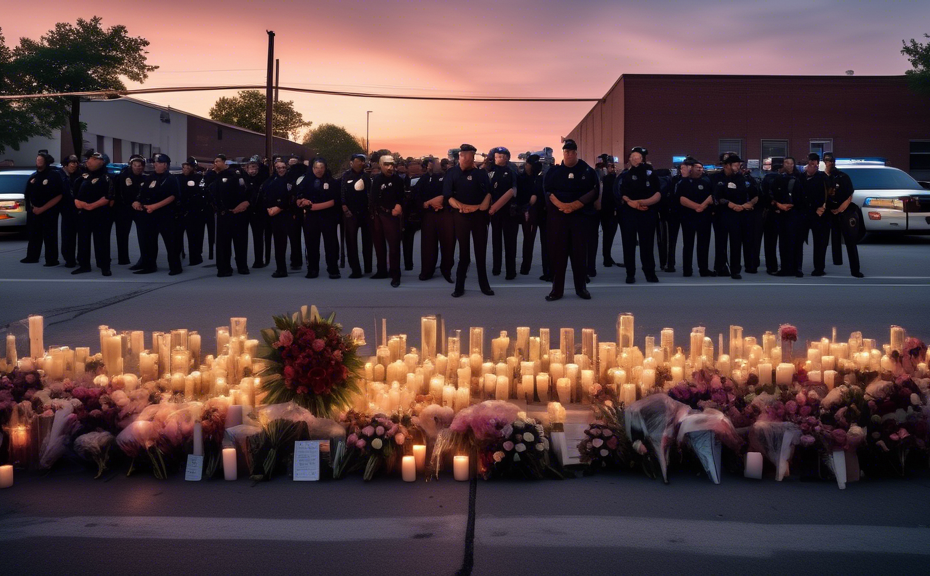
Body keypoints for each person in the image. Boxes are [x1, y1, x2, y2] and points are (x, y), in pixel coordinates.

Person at [543, 139, 598, 301]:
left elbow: (594, 191)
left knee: (579, 255)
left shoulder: (587, 171)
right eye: (565, 151)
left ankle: (581, 289)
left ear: (576, 153)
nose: (568, 154)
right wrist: (562, 205)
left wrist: (575, 205)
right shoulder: (554, 172)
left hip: (580, 219)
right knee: (558, 256)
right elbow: (547, 192)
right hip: (559, 219)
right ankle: (556, 290)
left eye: (571, 151)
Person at [444, 143, 494, 297]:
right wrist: (461, 207)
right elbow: (448, 196)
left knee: (481, 252)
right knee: (463, 253)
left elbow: (489, 194)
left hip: (479, 217)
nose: (463, 158)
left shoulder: (481, 174)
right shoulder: (452, 173)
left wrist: (478, 207)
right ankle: (459, 286)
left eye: (467, 156)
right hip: (461, 216)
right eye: (461, 155)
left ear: (473, 157)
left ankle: (484, 285)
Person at [616, 146, 661, 284]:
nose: (635, 160)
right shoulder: (624, 175)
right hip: (629, 213)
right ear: (629, 159)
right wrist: (632, 203)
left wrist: (643, 202)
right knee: (628, 243)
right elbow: (621, 193)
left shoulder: (650, 174)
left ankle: (650, 272)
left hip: (647, 212)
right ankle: (630, 273)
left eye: (638, 157)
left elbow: (658, 192)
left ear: (642, 159)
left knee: (647, 244)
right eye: (633, 157)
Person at [133, 154, 182, 275]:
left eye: (158, 162)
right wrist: (137, 201)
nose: (155, 164)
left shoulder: (171, 179)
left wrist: (155, 206)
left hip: (165, 215)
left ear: (165, 165)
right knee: (149, 241)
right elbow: (142, 192)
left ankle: (175, 267)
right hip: (149, 215)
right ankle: (149, 266)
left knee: (171, 242)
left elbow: (172, 196)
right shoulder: (150, 177)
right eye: (155, 162)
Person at [713, 154, 758, 279]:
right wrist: (730, 204)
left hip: (741, 214)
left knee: (736, 242)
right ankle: (720, 267)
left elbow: (755, 195)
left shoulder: (743, 178)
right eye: (736, 164)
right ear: (727, 165)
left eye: (739, 164)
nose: (738, 166)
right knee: (721, 242)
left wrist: (747, 204)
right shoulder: (718, 178)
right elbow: (716, 197)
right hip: (723, 214)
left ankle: (735, 269)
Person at [297, 157, 340, 279]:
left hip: (328, 217)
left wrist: (315, 207)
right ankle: (312, 269)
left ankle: (333, 269)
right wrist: (302, 201)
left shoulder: (332, 182)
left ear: (325, 168)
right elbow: (298, 195)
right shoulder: (306, 181)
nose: (319, 170)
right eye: (316, 167)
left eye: (321, 168)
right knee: (311, 244)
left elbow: (334, 201)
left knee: (331, 244)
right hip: (311, 218)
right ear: (312, 168)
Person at [72, 152, 113, 276]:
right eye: (88, 159)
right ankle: (84, 265)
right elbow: (74, 194)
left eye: (91, 159)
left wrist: (90, 206)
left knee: (102, 241)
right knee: (83, 239)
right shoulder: (83, 177)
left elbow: (108, 197)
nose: (88, 161)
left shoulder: (107, 178)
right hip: (84, 214)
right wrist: (81, 204)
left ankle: (104, 266)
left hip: (101, 215)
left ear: (100, 162)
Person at [823, 152, 863, 278]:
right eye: (827, 161)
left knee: (850, 242)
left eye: (832, 160)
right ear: (824, 162)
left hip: (844, 211)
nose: (830, 163)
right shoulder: (821, 177)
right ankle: (820, 268)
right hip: (827, 212)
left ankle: (855, 270)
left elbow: (849, 195)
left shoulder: (843, 177)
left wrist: (840, 209)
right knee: (824, 241)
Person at [416, 157, 455, 282]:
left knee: (448, 243)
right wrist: (425, 204)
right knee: (428, 244)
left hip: (446, 214)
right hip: (429, 214)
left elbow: (453, 192)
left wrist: (442, 200)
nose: (433, 165)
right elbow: (415, 195)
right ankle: (427, 271)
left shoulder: (448, 177)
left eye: (436, 163)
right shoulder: (424, 178)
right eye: (431, 163)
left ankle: (446, 270)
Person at [22, 151, 63, 266]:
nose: (38, 162)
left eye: (40, 160)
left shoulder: (54, 175)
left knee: (50, 235)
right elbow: (28, 194)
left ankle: (51, 260)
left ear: (46, 162)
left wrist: (43, 208)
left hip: (49, 211)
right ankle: (32, 256)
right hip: (34, 211)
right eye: (37, 160)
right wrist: (32, 208)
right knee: (34, 234)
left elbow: (59, 194)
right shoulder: (34, 176)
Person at [212, 154, 251, 277]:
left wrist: (246, 203)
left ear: (225, 162)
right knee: (223, 243)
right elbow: (209, 193)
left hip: (239, 213)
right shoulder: (213, 176)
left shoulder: (237, 174)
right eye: (214, 161)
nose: (215, 163)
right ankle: (224, 268)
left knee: (240, 242)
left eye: (218, 161)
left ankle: (242, 266)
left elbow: (249, 190)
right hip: (223, 214)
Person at [369, 155, 404, 287]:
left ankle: (395, 274)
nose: (390, 167)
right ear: (381, 165)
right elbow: (372, 198)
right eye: (387, 165)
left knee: (394, 245)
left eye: (392, 165)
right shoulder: (376, 179)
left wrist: (399, 206)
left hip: (391, 215)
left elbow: (402, 196)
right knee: (379, 245)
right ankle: (381, 270)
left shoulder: (398, 180)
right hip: (378, 215)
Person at [678, 160, 714, 277]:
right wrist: (697, 207)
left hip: (704, 217)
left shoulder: (707, 181)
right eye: (697, 167)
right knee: (688, 244)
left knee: (703, 244)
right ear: (691, 168)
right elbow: (682, 199)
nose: (700, 169)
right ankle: (687, 270)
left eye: (701, 167)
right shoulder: (684, 182)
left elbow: (712, 196)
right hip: (688, 217)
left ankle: (703, 269)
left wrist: (702, 206)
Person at [488, 146, 519, 280]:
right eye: (497, 156)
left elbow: (515, 190)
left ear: (507, 157)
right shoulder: (489, 171)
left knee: (510, 242)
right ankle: (496, 268)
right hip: (494, 211)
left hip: (509, 211)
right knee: (496, 240)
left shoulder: (512, 171)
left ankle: (510, 271)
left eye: (502, 156)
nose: (499, 158)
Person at [772, 156, 804, 277]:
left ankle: (797, 268)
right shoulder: (779, 178)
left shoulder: (800, 178)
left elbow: (804, 196)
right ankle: (785, 268)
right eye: (786, 162)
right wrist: (778, 206)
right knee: (784, 242)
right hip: (782, 214)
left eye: (790, 162)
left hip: (796, 214)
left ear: (794, 164)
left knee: (796, 242)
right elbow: (773, 194)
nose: (788, 164)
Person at [341, 153, 373, 278]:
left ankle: (368, 267)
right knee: (351, 241)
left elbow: (370, 194)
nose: (361, 163)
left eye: (362, 161)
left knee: (367, 241)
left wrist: (370, 210)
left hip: (365, 212)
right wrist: (344, 206)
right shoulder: (346, 176)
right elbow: (342, 192)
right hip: (350, 213)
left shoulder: (366, 177)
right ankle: (355, 269)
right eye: (358, 161)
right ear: (351, 163)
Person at [798, 153, 830, 276]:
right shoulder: (801, 177)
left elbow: (830, 194)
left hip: (818, 214)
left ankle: (819, 268)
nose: (810, 166)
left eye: (813, 163)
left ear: (817, 164)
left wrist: (823, 207)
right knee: (798, 241)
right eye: (809, 163)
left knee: (819, 242)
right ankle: (798, 267)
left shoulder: (823, 177)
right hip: (803, 213)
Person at [262, 159, 294, 278]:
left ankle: (289, 266)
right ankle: (280, 268)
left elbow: (291, 197)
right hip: (273, 215)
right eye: (278, 168)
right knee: (278, 243)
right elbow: (264, 195)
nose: (281, 170)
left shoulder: (290, 181)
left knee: (287, 242)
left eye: (283, 168)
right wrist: (269, 208)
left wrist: (279, 207)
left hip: (286, 214)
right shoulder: (270, 181)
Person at [114, 156, 145, 268]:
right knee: (122, 234)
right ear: (131, 166)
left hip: (139, 208)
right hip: (124, 208)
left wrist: (138, 202)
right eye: (135, 165)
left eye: (140, 165)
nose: (137, 168)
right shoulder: (122, 176)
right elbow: (121, 193)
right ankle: (123, 259)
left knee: (143, 234)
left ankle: (144, 258)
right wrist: (132, 202)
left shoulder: (144, 178)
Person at [659, 158, 689, 273]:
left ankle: (686, 265)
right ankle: (670, 263)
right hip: (674, 213)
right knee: (671, 240)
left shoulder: (680, 181)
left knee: (687, 241)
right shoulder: (674, 181)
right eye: (680, 168)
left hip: (684, 213)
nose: (681, 170)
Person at [177, 158, 207, 266]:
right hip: (180, 211)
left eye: (188, 167)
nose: (185, 169)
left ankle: (196, 257)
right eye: (184, 167)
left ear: (193, 168)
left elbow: (202, 193)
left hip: (194, 212)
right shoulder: (177, 178)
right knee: (177, 236)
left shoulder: (199, 178)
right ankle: (179, 254)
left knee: (195, 236)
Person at [516, 155, 541, 276]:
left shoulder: (538, 178)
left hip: (531, 210)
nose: (526, 166)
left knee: (528, 240)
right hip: (523, 208)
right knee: (528, 240)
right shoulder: (521, 177)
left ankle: (525, 266)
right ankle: (525, 266)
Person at [242, 156, 268, 269]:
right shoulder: (243, 180)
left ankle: (258, 260)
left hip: (258, 211)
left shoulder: (262, 180)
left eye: (255, 168)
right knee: (242, 237)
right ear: (246, 169)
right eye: (251, 168)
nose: (253, 170)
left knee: (258, 237)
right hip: (245, 211)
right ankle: (242, 261)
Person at [58, 155, 83, 268]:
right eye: (72, 163)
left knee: (82, 236)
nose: (74, 165)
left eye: (76, 163)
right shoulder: (59, 175)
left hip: (79, 209)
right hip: (66, 209)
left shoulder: (80, 175)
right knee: (67, 236)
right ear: (66, 164)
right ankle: (69, 259)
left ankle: (81, 259)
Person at [760, 159, 782, 275]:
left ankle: (771, 266)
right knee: (784, 241)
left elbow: (763, 194)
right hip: (783, 212)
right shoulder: (782, 178)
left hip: (769, 212)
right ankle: (785, 264)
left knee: (770, 241)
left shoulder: (766, 179)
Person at [285, 156, 307, 270]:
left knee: (294, 237)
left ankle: (296, 260)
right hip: (306, 210)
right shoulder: (307, 175)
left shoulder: (289, 176)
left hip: (293, 210)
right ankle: (309, 258)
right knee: (309, 237)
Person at [599, 159, 620, 268]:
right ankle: (607, 257)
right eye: (611, 167)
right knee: (609, 235)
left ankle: (607, 256)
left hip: (607, 210)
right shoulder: (610, 179)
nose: (613, 169)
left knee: (608, 235)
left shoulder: (605, 179)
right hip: (610, 211)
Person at [401, 161, 421, 272]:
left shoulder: (424, 179)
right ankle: (408, 264)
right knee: (407, 239)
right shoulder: (403, 180)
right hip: (407, 214)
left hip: (421, 212)